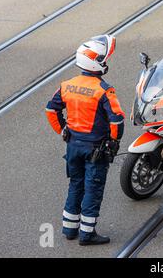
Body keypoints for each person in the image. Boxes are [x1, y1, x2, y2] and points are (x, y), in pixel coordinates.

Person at [45, 35, 125, 246]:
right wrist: (114, 142)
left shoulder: (67, 85)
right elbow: (117, 120)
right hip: (95, 149)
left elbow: (50, 109)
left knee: (75, 185)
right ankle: (87, 234)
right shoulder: (104, 89)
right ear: (97, 62)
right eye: (104, 60)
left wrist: (62, 130)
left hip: (73, 146)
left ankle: (69, 229)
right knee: (93, 188)